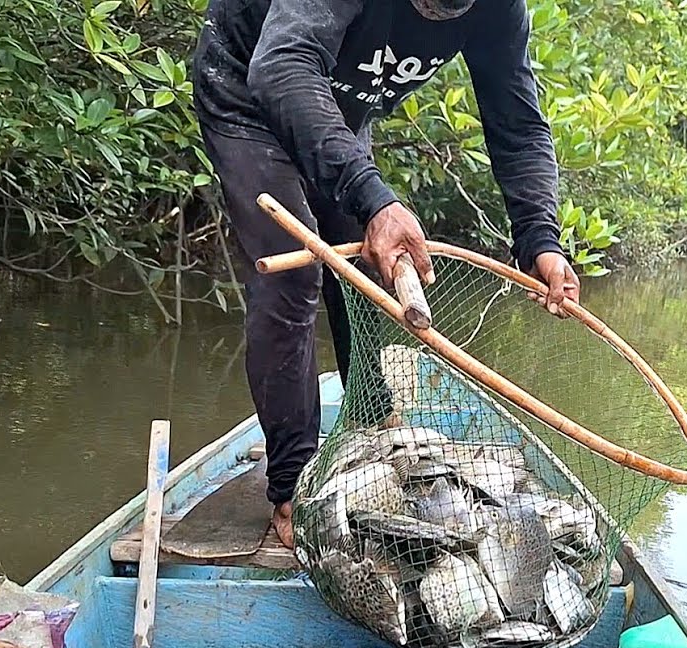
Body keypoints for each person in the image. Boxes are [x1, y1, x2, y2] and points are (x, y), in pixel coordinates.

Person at [190, 0, 581, 548]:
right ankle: (294, 488)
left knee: (370, 270)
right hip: (247, 88)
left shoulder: (498, 9)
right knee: (292, 275)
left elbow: (517, 126)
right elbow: (281, 66)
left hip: (336, 110)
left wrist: (541, 240)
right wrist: (374, 199)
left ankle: (373, 427)